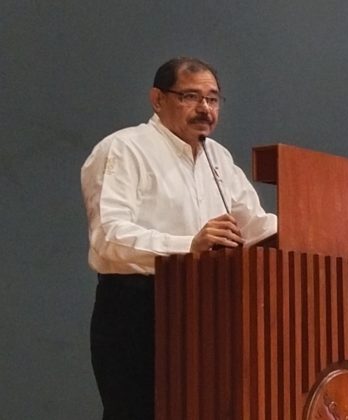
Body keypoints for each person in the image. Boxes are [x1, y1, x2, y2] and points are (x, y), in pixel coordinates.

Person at [80, 57, 277, 419]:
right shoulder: (123, 148)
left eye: (213, 99)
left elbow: (256, 226)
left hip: (209, 310)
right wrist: (189, 246)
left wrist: (311, 228)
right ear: (158, 99)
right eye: (190, 97)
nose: (205, 109)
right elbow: (108, 238)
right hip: (139, 309)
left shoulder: (218, 157)